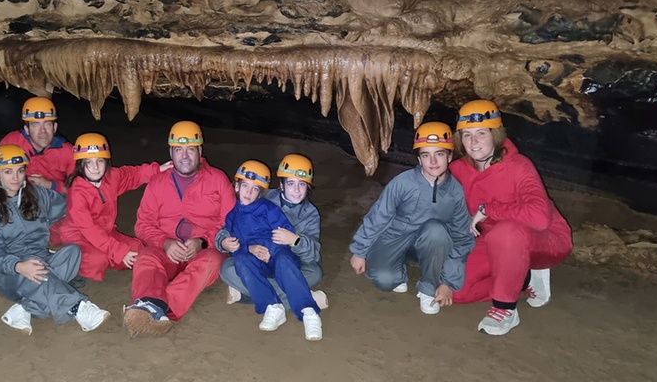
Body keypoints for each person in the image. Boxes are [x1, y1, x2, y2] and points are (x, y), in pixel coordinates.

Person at [450, 99, 573, 336]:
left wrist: (488, 209)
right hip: (494, 241)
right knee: (456, 290)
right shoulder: (460, 169)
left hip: (546, 239)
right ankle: (523, 277)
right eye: (466, 135)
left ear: (495, 134)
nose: (473, 142)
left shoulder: (518, 166)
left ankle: (505, 308)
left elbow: (539, 218)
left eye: (481, 133)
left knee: (505, 232)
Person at [0, 144, 111, 335]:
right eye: (8, 172)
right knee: (41, 272)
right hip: (8, 272)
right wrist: (19, 266)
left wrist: (90, 209)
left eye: (20, 171)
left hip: (41, 258)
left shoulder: (37, 194)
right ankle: (77, 307)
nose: (15, 177)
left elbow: (69, 206)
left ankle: (26, 307)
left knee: (73, 252)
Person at [348, 122, 475, 315]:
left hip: (429, 242)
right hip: (396, 237)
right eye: (426, 155)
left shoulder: (456, 192)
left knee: (436, 231)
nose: (433, 161)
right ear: (419, 158)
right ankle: (399, 271)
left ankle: (427, 288)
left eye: (439, 154)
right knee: (385, 280)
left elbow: (462, 238)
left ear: (449, 156)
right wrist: (359, 250)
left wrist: (448, 281)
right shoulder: (403, 183)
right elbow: (378, 216)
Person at [122, 121, 235, 337]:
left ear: (200, 151)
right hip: (167, 251)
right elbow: (143, 224)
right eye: (178, 150)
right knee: (145, 257)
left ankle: (158, 310)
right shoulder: (158, 182)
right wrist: (165, 242)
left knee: (214, 260)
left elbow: (230, 223)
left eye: (190, 149)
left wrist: (202, 241)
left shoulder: (218, 180)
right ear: (171, 152)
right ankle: (148, 304)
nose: (184, 156)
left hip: (202, 252)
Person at [218, 160, 323, 341]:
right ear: (280, 185)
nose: (296, 190)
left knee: (314, 272)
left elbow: (313, 254)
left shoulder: (309, 213)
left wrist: (295, 240)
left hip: (286, 260)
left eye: (302, 184)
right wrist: (228, 244)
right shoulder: (262, 197)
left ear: (308, 187)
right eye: (290, 183)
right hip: (255, 260)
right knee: (229, 266)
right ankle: (296, 296)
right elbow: (227, 232)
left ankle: (302, 308)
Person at [49, 133, 172, 281]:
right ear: (80, 165)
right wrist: (119, 252)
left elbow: (133, 175)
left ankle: (108, 256)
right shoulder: (77, 193)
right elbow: (90, 230)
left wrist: (157, 169)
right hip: (79, 235)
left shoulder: (111, 177)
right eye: (89, 162)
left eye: (100, 161)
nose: (95, 167)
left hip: (106, 231)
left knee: (136, 248)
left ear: (106, 161)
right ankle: (63, 258)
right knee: (97, 260)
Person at [0, 96, 75, 194]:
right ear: (27, 129)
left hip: (53, 197)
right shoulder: (12, 143)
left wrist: (50, 184)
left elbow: (79, 190)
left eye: (47, 124)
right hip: (18, 193)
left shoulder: (68, 152)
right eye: (35, 125)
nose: (42, 131)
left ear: (54, 127)